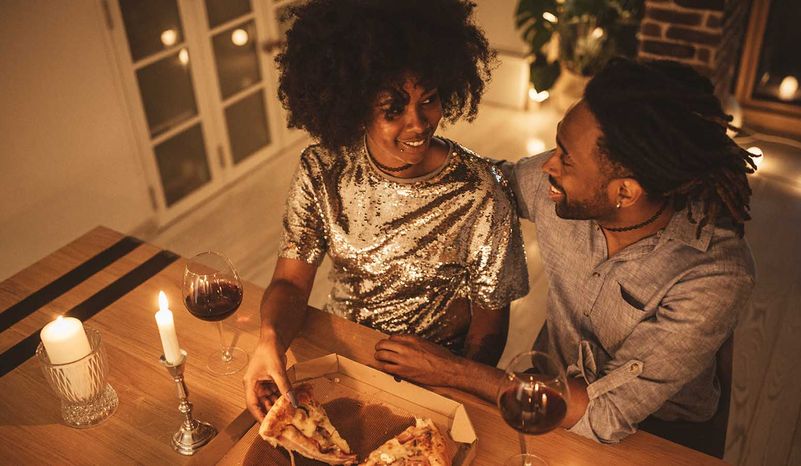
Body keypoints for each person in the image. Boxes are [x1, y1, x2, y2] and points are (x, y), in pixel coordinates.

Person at [374, 58, 756, 448]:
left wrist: (452, 370)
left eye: (565, 158)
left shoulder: (715, 273)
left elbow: (605, 412)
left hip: (656, 435)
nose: (547, 166)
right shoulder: (565, 183)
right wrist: (404, 142)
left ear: (624, 192)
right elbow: (490, 181)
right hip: (543, 392)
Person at [243, 0, 529, 421]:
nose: (418, 123)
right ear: (355, 106)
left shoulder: (479, 192)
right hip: (338, 356)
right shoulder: (323, 171)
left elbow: (489, 329)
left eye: (428, 99)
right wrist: (270, 339)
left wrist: (452, 399)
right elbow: (290, 282)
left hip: (434, 376)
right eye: (393, 108)